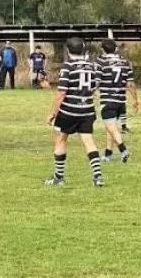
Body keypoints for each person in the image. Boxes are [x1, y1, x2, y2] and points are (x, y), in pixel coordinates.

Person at [41, 37, 105, 187]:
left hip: (69, 111)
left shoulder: (68, 66)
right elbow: (95, 85)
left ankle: (58, 178)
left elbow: (61, 93)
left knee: (60, 140)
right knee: (89, 141)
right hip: (87, 110)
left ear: (68, 51)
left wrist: (53, 113)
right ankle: (97, 177)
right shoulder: (91, 66)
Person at [97, 39, 140, 163]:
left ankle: (123, 150)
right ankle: (108, 154)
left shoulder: (101, 61)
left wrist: (89, 92)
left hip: (108, 99)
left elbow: (96, 81)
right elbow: (130, 83)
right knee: (110, 127)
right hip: (121, 100)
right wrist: (135, 100)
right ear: (115, 48)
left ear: (103, 49)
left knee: (111, 128)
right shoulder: (124, 62)